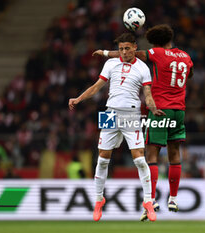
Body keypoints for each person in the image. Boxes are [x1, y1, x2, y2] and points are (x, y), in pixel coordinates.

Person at [93, 24, 194, 220]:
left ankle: (152, 199)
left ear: (155, 43)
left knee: (150, 153)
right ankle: (173, 198)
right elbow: (189, 74)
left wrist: (106, 52)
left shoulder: (156, 53)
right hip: (179, 109)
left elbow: (133, 53)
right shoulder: (186, 56)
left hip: (158, 108)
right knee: (174, 153)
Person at [69, 33, 164, 222]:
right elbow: (96, 87)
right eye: (121, 49)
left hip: (131, 114)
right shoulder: (110, 64)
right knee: (103, 159)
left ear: (135, 47)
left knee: (139, 159)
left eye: (127, 48)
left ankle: (147, 201)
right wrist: (78, 98)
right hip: (110, 113)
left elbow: (147, 94)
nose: (124, 52)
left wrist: (153, 109)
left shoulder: (143, 68)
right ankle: (98, 200)